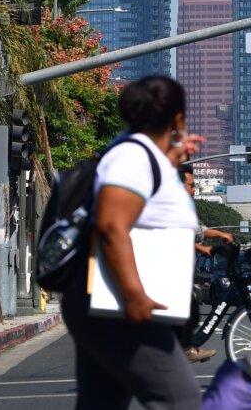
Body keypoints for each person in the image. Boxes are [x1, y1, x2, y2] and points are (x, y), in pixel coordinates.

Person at [60, 76, 203, 409]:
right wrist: (133, 294)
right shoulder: (132, 158)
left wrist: (172, 156)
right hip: (120, 307)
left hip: (106, 305)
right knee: (179, 399)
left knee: (103, 402)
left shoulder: (140, 155)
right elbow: (111, 224)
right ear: (177, 118)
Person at [177, 161, 230, 364]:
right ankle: (184, 349)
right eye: (190, 185)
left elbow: (196, 230)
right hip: (171, 272)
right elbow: (183, 232)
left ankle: (184, 348)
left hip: (182, 271)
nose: (194, 189)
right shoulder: (172, 205)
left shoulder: (182, 205)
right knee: (187, 312)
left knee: (189, 313)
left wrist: (218, 236)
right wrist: (204, 246)